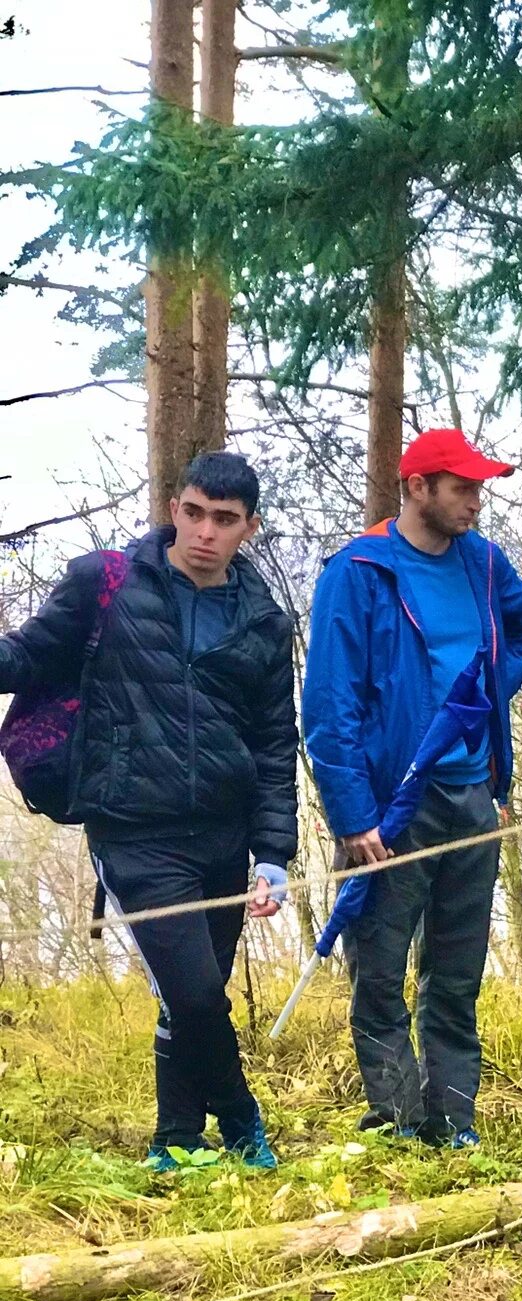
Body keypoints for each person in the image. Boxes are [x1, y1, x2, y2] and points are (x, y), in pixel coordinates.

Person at [0, 453, 296, 1170]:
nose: (204, 531)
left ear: (248, 528)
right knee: (196, 994)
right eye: (193, 512)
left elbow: (273, 744)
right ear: (174, 506)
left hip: (223, 834)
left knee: (192, 996)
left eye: (224, 520)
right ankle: (243, 1121)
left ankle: (175, 1140)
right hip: (133, 827)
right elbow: (24, 658)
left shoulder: (263, 622)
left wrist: (274, 855)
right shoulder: (106, 584)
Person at [303, 428, 522, 1149]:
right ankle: (401, 1118)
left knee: (457, 971)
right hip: (390, 807)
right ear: (417, 488)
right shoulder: (359, 571)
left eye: (479, 487)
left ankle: (453, 1119)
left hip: (474, 796)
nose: (476, 501)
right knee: (379, 972)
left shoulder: (483, 562)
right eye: (463, 487)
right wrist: (353, 816)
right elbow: (329, 706)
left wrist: (484, 701)